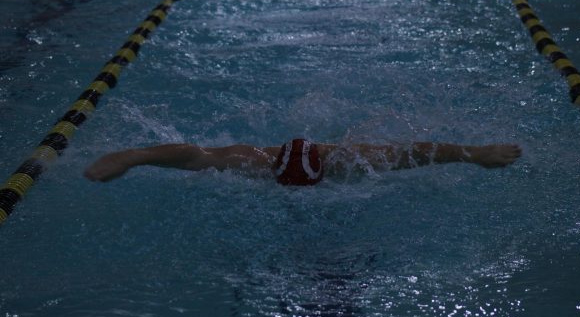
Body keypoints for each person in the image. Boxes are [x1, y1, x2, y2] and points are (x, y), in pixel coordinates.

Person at [84, 138, 522, 185]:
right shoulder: (252, 161)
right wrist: (133, 158)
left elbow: (420, 151)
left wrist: (473, 155)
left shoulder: (352, 161)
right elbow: (194, 152)